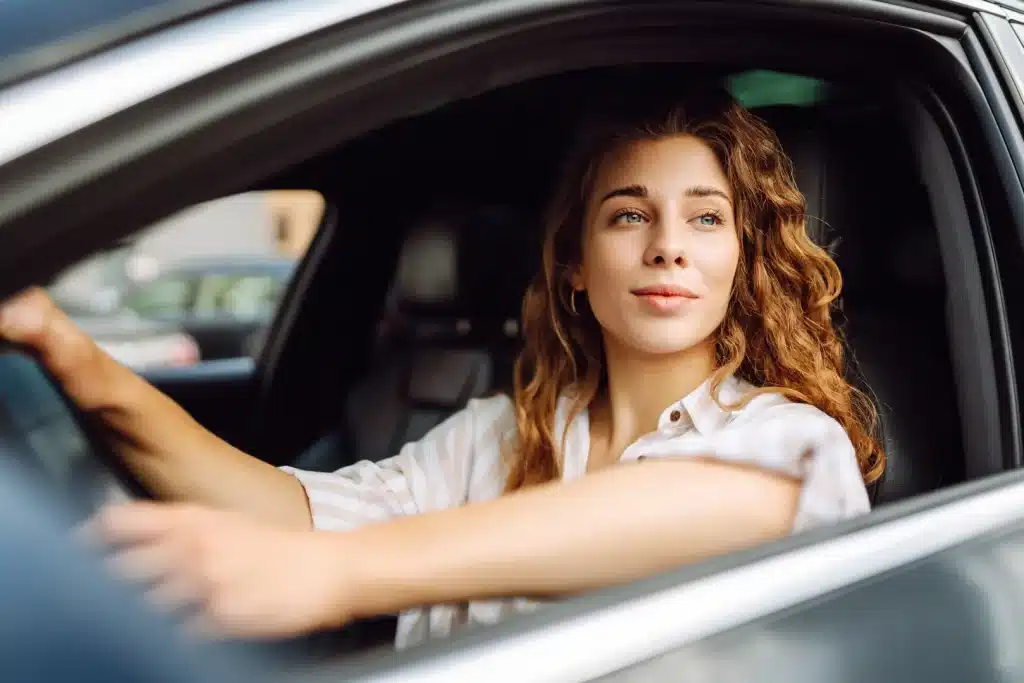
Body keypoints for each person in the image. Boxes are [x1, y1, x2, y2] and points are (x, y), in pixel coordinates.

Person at [0, 87, 884, 650]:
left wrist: (342, 575)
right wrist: (69, 354)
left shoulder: (785, 439)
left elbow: (736, 507)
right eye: (627, 216)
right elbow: (293, 514)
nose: (666, 248)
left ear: (743, 257)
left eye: (705, 220)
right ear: (576, 261)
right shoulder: (496, 434)